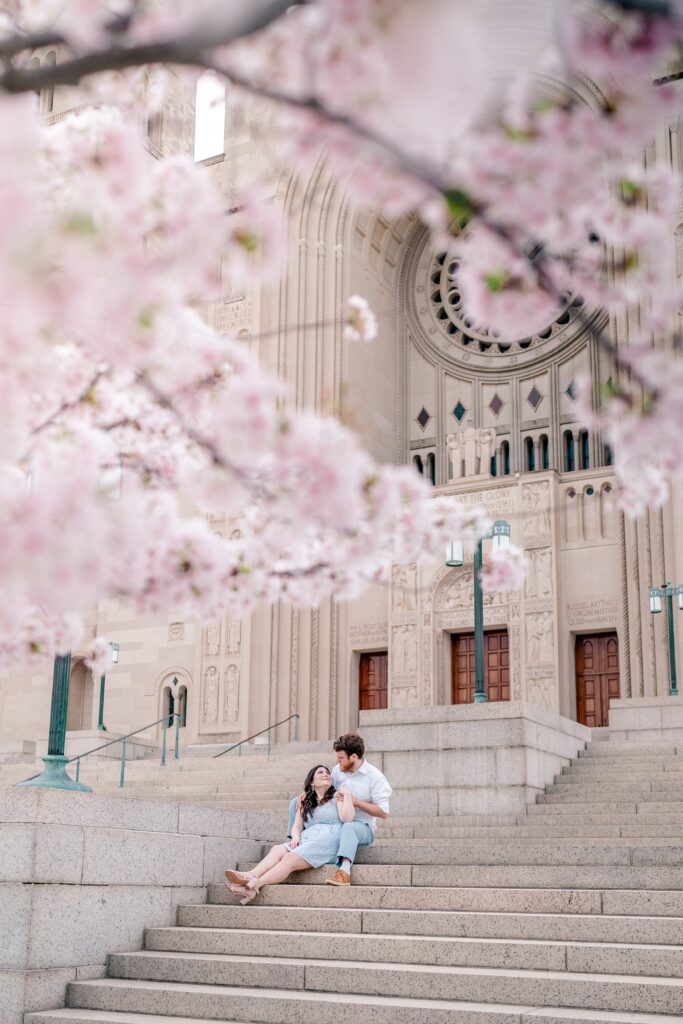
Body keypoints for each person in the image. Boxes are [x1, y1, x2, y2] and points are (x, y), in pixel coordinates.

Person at [224, 764, 355, 904]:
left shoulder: (337, 797)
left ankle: (254, 886)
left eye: (328, 772)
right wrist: (296, 838)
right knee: (277, 849)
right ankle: (251, 875)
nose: (326, 774)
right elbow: (297, 826)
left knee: (288, 858)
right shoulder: (305, 801)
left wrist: (346, 794)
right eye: (320, 772)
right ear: (311, 782)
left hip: (329, 839)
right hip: (308, 838)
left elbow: (347, 819)